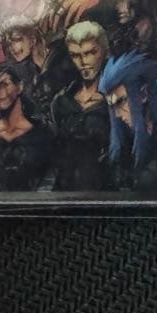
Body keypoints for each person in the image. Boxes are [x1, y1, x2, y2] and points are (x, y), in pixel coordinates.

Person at [97, 49, 157, 191]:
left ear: (143, 94)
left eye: (120, 101)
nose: (117, 114)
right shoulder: (120, 153)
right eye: (112, 106)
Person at [50, 21, 111, 191]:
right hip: (65, 191)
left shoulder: (117, 99)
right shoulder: (61, 101)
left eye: (90, 53)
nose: (83, 61)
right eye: (75, 55)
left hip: (104, 191)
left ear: (105, 52)